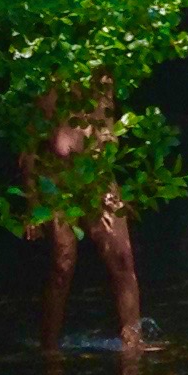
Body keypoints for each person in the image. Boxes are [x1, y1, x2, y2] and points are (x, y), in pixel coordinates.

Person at [22, 69, 143, 353]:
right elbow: (29, 146)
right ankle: (49, 347)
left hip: (98, 175)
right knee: (63, 264)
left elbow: (108, 126)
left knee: (123, 259)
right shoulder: (46, 73)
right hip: (56, 177)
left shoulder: (104, 71)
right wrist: (32, 202)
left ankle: (133, 345)